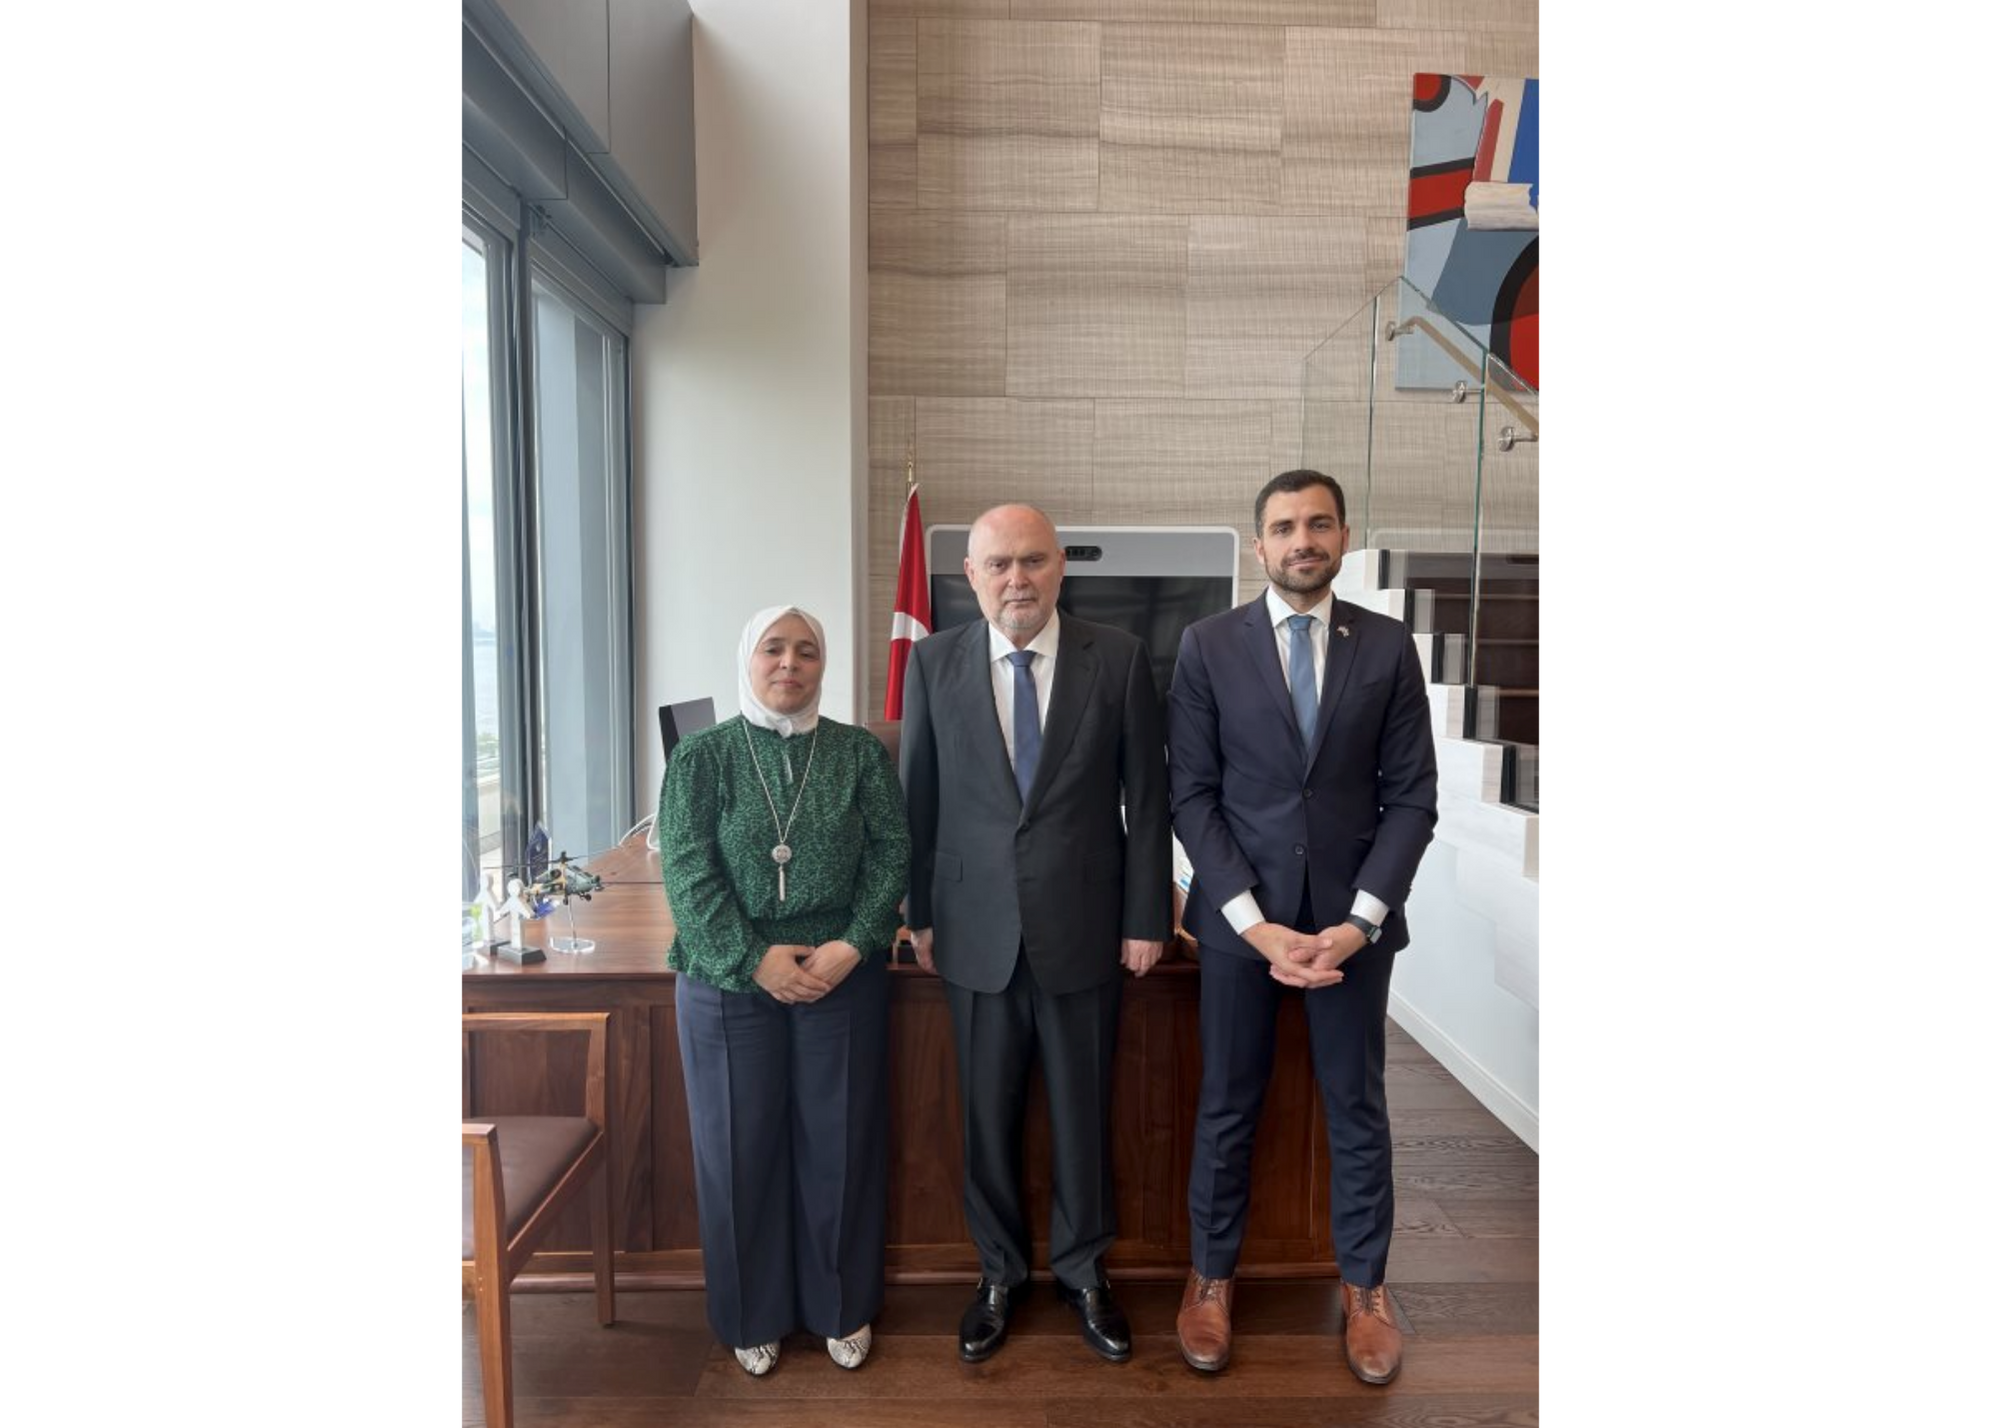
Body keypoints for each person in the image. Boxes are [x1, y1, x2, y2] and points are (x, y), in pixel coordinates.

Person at [1166, 470, 1439, 1385]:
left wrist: (1360, 921)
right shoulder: (1206, 646)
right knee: (1227, 1106)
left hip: (1351, 932)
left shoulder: (1391, 647)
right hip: (1244, 927)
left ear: (1344, 536)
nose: (1301, 540)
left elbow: (1412, 798)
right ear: (1259, 545)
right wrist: (1253, 925)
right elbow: (1192, 796)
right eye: (1284, 526)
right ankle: (1210, 1280)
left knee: (1357, 1108)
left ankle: (1365, 1287)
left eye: (1318, 524)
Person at [899, 503, 1171, 1365]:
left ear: (1060, 569)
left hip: (1085, 927)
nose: (1017, 578)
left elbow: (1148, 797)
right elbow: (920, 798)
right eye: (998, 564)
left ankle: (1087, 1274)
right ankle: (999, 1275)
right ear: (971, 577)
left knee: (1084, 1114)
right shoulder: (934, 662)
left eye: (1032, 561)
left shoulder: (1118, 658)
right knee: (985, 1117)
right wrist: (919, 913)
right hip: (974, 929)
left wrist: (1144, 916)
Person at [657, 605, 911, 1377]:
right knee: (737, 1153)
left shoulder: (860, 753)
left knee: (840, 1145)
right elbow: (688, 873)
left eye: (806, 651)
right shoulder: (702, 758)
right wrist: (753, 958)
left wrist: (852, 944)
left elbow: (893, 853)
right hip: (728, 981)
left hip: (842, 975)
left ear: (821, 667)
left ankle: (840, 1307)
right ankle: (750, 1313)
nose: (790, 663)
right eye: (775, 648)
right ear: (750, 658)